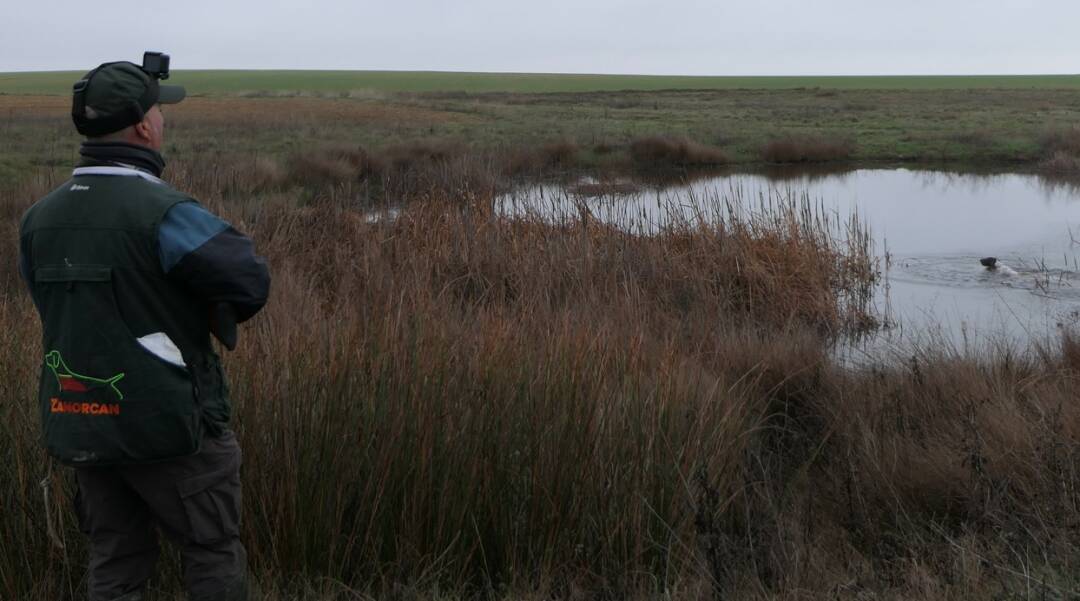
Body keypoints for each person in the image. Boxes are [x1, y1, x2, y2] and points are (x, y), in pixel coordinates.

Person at [17, 55, 270, 601]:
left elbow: (52, 306)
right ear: (142, 127)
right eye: (159, 111)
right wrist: (201, 315)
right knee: (211, 551)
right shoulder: (166, 212)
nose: (162, 120)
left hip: (83, 423)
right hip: (171, 425)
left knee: (115, 559)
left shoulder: (38, 219)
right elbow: (249, 281)